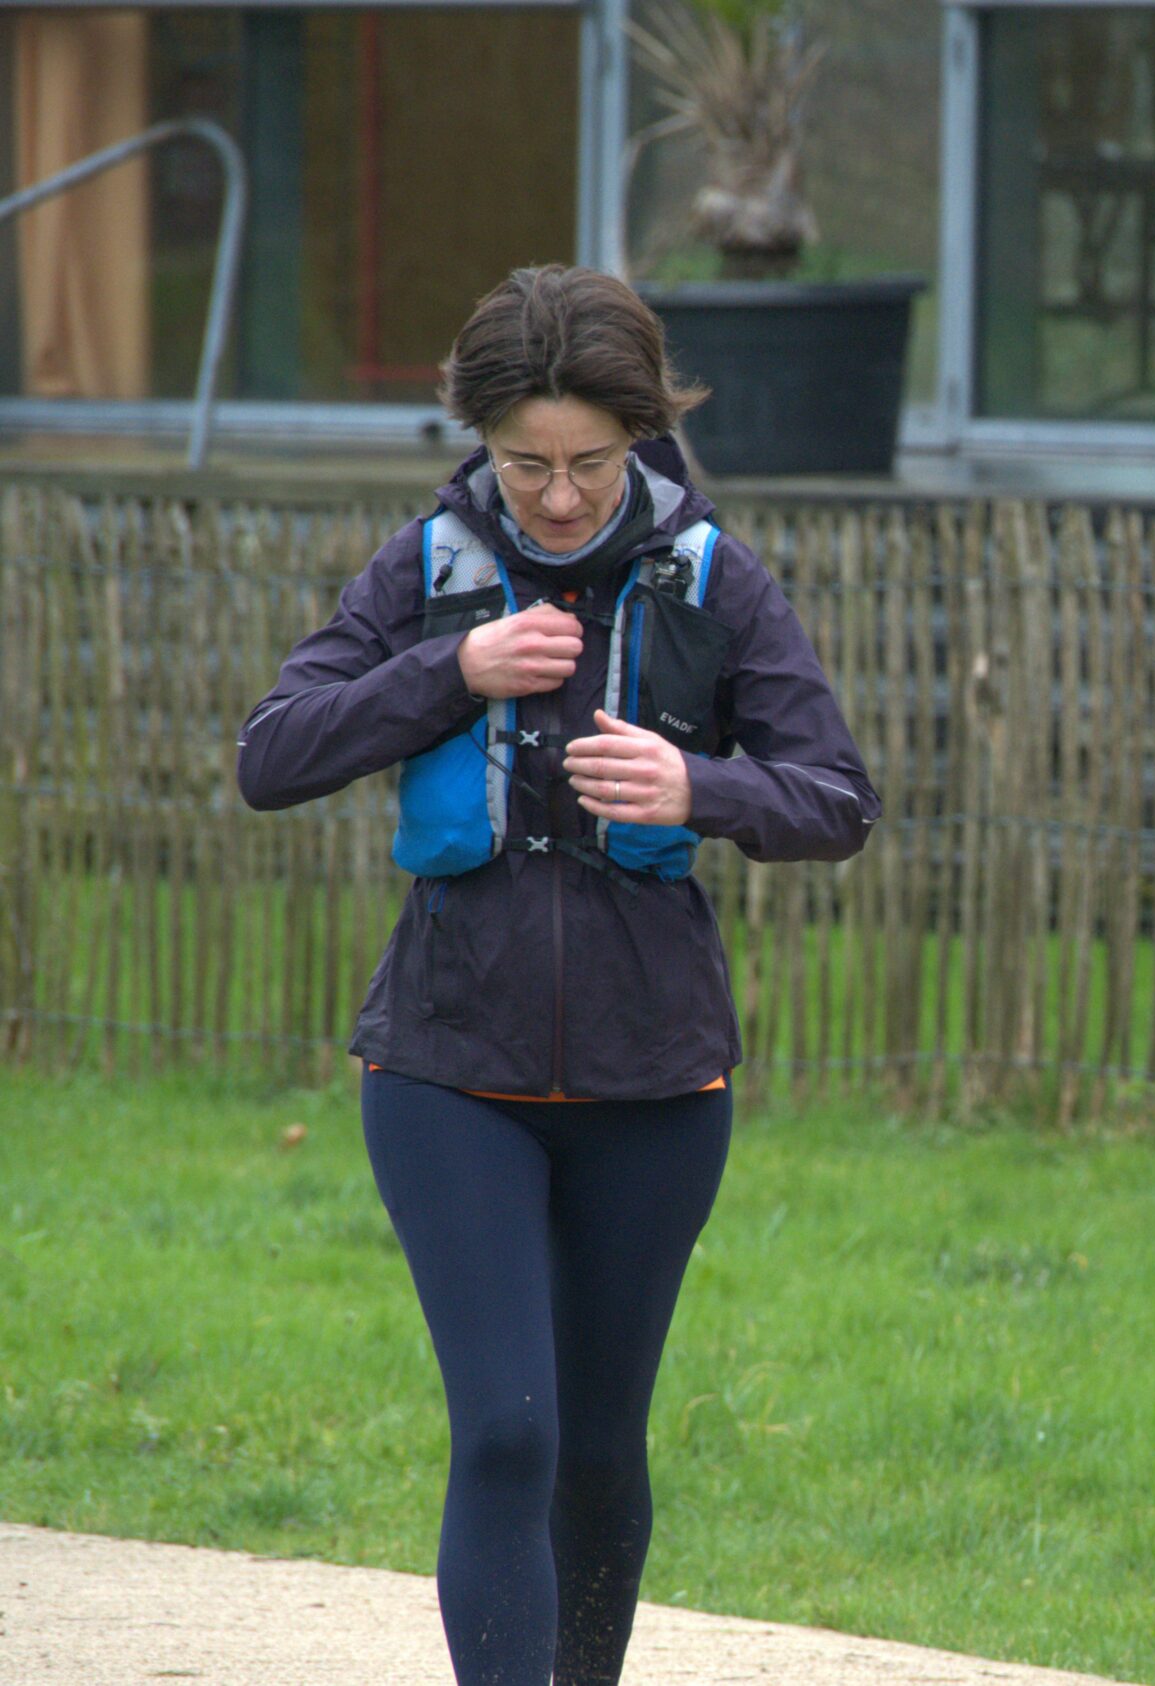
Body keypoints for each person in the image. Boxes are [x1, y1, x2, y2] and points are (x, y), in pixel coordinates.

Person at [237, 265, 878, 1686]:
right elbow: (269, 756)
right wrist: (452, 670)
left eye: (590, 461)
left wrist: (701, 787)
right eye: (527, 464)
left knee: (595, 1443)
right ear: (479, 439)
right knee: (508, 1431)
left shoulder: (714, 576)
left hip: (657, 1083)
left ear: (642, 434)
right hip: (446, 1069)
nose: (562, 495)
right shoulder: (425, 571)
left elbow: (838, 800)